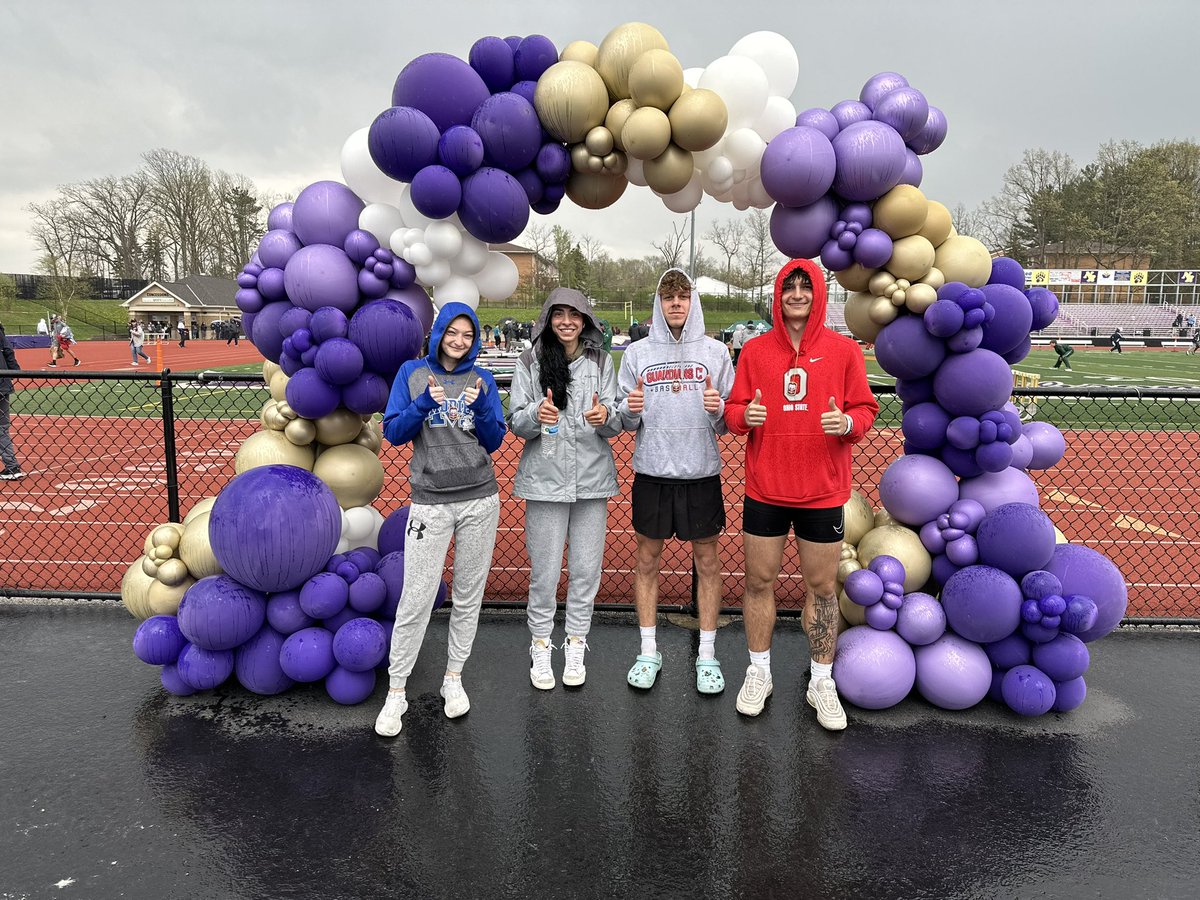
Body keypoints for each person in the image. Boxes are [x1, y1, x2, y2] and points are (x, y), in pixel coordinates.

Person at [724, 258, 878, 730]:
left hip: (823, 492)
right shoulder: (753, 351)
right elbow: (733, 410)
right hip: (766, 488)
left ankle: (821, 679)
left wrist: (847, 423)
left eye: (804, 287)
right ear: (777, 295)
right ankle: (759, 672)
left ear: (817, 293)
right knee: (759, 582)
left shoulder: (844, 351)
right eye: (788, 287)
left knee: (822, 587)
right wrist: (741, 418)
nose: (796, 295)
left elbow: (865, 410)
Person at [374, 302, 507, 738]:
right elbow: (393, 433)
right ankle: (397, 691)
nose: (460, 341)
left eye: (468, 335)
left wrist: (485, 407)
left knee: (469, 596)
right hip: (430, 502)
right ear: (439, 333)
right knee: (416, 597)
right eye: (454, 332)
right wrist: (423, 403)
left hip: (479, 501)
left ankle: (454, 678)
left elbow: (494, 440)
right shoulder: (412, 373)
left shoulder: (483, 378)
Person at [617, 268, 735, 693]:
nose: (676, 304)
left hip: (701, 473)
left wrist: (719, 408)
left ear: (693, 301)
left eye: (683, 296)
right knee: (647, 561)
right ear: (658, 303)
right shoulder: (638, 353)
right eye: (668, 297)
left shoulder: (716, 353)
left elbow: (728, 424)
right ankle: (648, 650)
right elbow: (625, 420)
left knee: (707, 563)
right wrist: (630, 410)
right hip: (652, 473)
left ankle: (707, 655)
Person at [507, 288, 621, 689]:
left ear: (586, 319)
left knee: (587, 571)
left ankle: (576, 641)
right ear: (548, 318)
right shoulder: (530, 360)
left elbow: (616, 418)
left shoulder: (601, 360)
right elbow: (516, 420)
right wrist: (536, 415)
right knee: (545, 573)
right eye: (559, 314)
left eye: (575, 314)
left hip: (591, 481)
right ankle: (541, 644)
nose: (567, 322)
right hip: (544, 481)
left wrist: (605, 414)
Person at [0, 317, 24, 480]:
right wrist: (14, 371)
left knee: (1, 428)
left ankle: (12, 466)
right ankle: (11, 465)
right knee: (2, 427)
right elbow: (8, 351)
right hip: (3, 382)